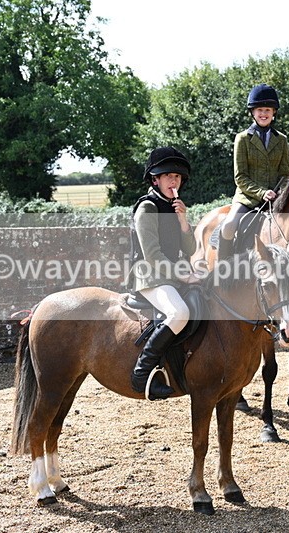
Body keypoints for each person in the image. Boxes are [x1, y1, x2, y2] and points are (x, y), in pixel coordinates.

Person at [127, 146, 199, 400]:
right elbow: (152, 255)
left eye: (177, 177)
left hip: (171, 272)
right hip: (149, 274)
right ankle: (141, 374)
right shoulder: (147, 208)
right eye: (168, 176)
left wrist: (183, 221)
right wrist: (183, 276)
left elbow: (190, 249)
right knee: (179, 313)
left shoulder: (174, 207)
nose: (174, 181)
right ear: (155, 180)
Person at [218, 83, 289, 259]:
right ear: (253, 112)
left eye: (267, 110)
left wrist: (279, 193)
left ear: (273, 112)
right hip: (247, 198)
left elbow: (285, 174)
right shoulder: (242, 139)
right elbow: (240, 177)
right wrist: (262, 192)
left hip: (275, 198)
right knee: (229, 226)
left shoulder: (282, 140)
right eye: (260, 110)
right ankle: (224, 266)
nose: (263, 114)